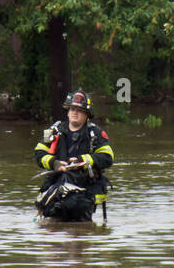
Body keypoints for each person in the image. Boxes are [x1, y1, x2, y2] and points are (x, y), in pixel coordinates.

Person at [32, 90, 114, 220]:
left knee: (79, 225)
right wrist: (54, 163)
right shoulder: (55, 131)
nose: (75, 112)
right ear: (67, 111)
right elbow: (38, 154)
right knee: (52, 223)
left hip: (85, 185)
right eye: (72, 109)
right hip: (57, 182)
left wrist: (82, 161)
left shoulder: (95, 133)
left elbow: (107, 157)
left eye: (79, 110)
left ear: (87, 114)